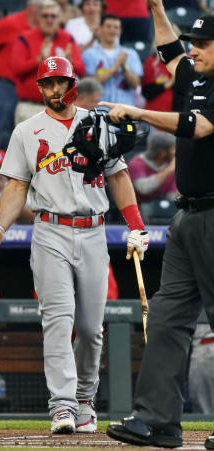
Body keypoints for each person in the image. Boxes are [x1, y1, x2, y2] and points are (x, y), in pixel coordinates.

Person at [0, 56, 148, 434]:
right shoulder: (27, 131)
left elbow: (119, 177)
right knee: (58, 322)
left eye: (61, 82)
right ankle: (62, 406)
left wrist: (136, 225)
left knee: (91, 328)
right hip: (50, 230)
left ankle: (85, 399)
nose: (55, 89)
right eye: (48, 83)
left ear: (73, 83)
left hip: (93, 230)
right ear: (39, 87)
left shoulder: (97, 124)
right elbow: (16, 187)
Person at [98, 5, 214, 447]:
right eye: (195, 42)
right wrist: (155, 6)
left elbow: (198, 126)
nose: (193, 50)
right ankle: (160, 421)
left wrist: (140, 113)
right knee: (166, 318)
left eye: (203, 44)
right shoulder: (198, 75)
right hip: (187, 217)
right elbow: (169, 50)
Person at [0, 0, 39, 149]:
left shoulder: (43, 28)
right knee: (3, 130)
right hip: (9, 86)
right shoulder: (11, 23)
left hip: (31, 90)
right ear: (31, 7)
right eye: (41, 7)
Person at [11, 0, 85, 125]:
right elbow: (15, 69)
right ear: (37, 18)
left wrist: (69, 62)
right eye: (45, 16)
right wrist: (38, 61)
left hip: (61, 108)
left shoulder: (67, 38)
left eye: (53, 16)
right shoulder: (25, 38)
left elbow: (82, 70)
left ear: (59, 19)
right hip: (31, 107)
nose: (49, 20)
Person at [81, 14, 142, 105]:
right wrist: (116, 66)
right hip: (99, 109)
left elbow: (135, 84)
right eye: (108, 26)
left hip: (125, 108)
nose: (112, 30)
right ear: (101, 28)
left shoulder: (130, 54)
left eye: (116, 27)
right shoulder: (89, 54)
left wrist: (125, 67)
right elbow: (90, 84)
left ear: (120, 31)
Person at [128, 132, 177, 206]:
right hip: (138, 207)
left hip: (161, 207)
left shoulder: (171, 164)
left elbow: (172, 196)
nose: (175, 152)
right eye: (173, 149)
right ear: (163, 153)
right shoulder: (137, 163)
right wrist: (169, 170)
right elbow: (143, 189)